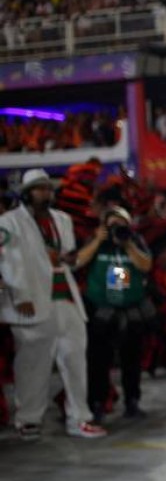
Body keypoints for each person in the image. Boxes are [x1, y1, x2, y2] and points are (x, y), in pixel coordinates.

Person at [0, 169, 105, 440]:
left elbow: (67, 256)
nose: (45, 193)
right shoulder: (9, 223)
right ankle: (28, 419)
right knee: (32, 364)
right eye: (39, 189)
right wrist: (20, 295)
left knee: (75, 359)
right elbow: (8, 261)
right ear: (26, 193)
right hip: (31, 301)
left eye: (48, 188)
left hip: (65, 297)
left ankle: (79, 417)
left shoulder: (63, 219)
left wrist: (71, 258)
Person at [81, 206, 154, 420]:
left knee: (131, 358)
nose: (117, 228)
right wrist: (96, 241)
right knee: (98, 360)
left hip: (130, 308)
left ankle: (132, 401)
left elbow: (146, 265)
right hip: (101, 308)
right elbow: (78, 261)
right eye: (112, 224)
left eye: (121, 224)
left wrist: (128, 243)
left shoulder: (135, 240)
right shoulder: (96, 241)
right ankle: (97, 403)